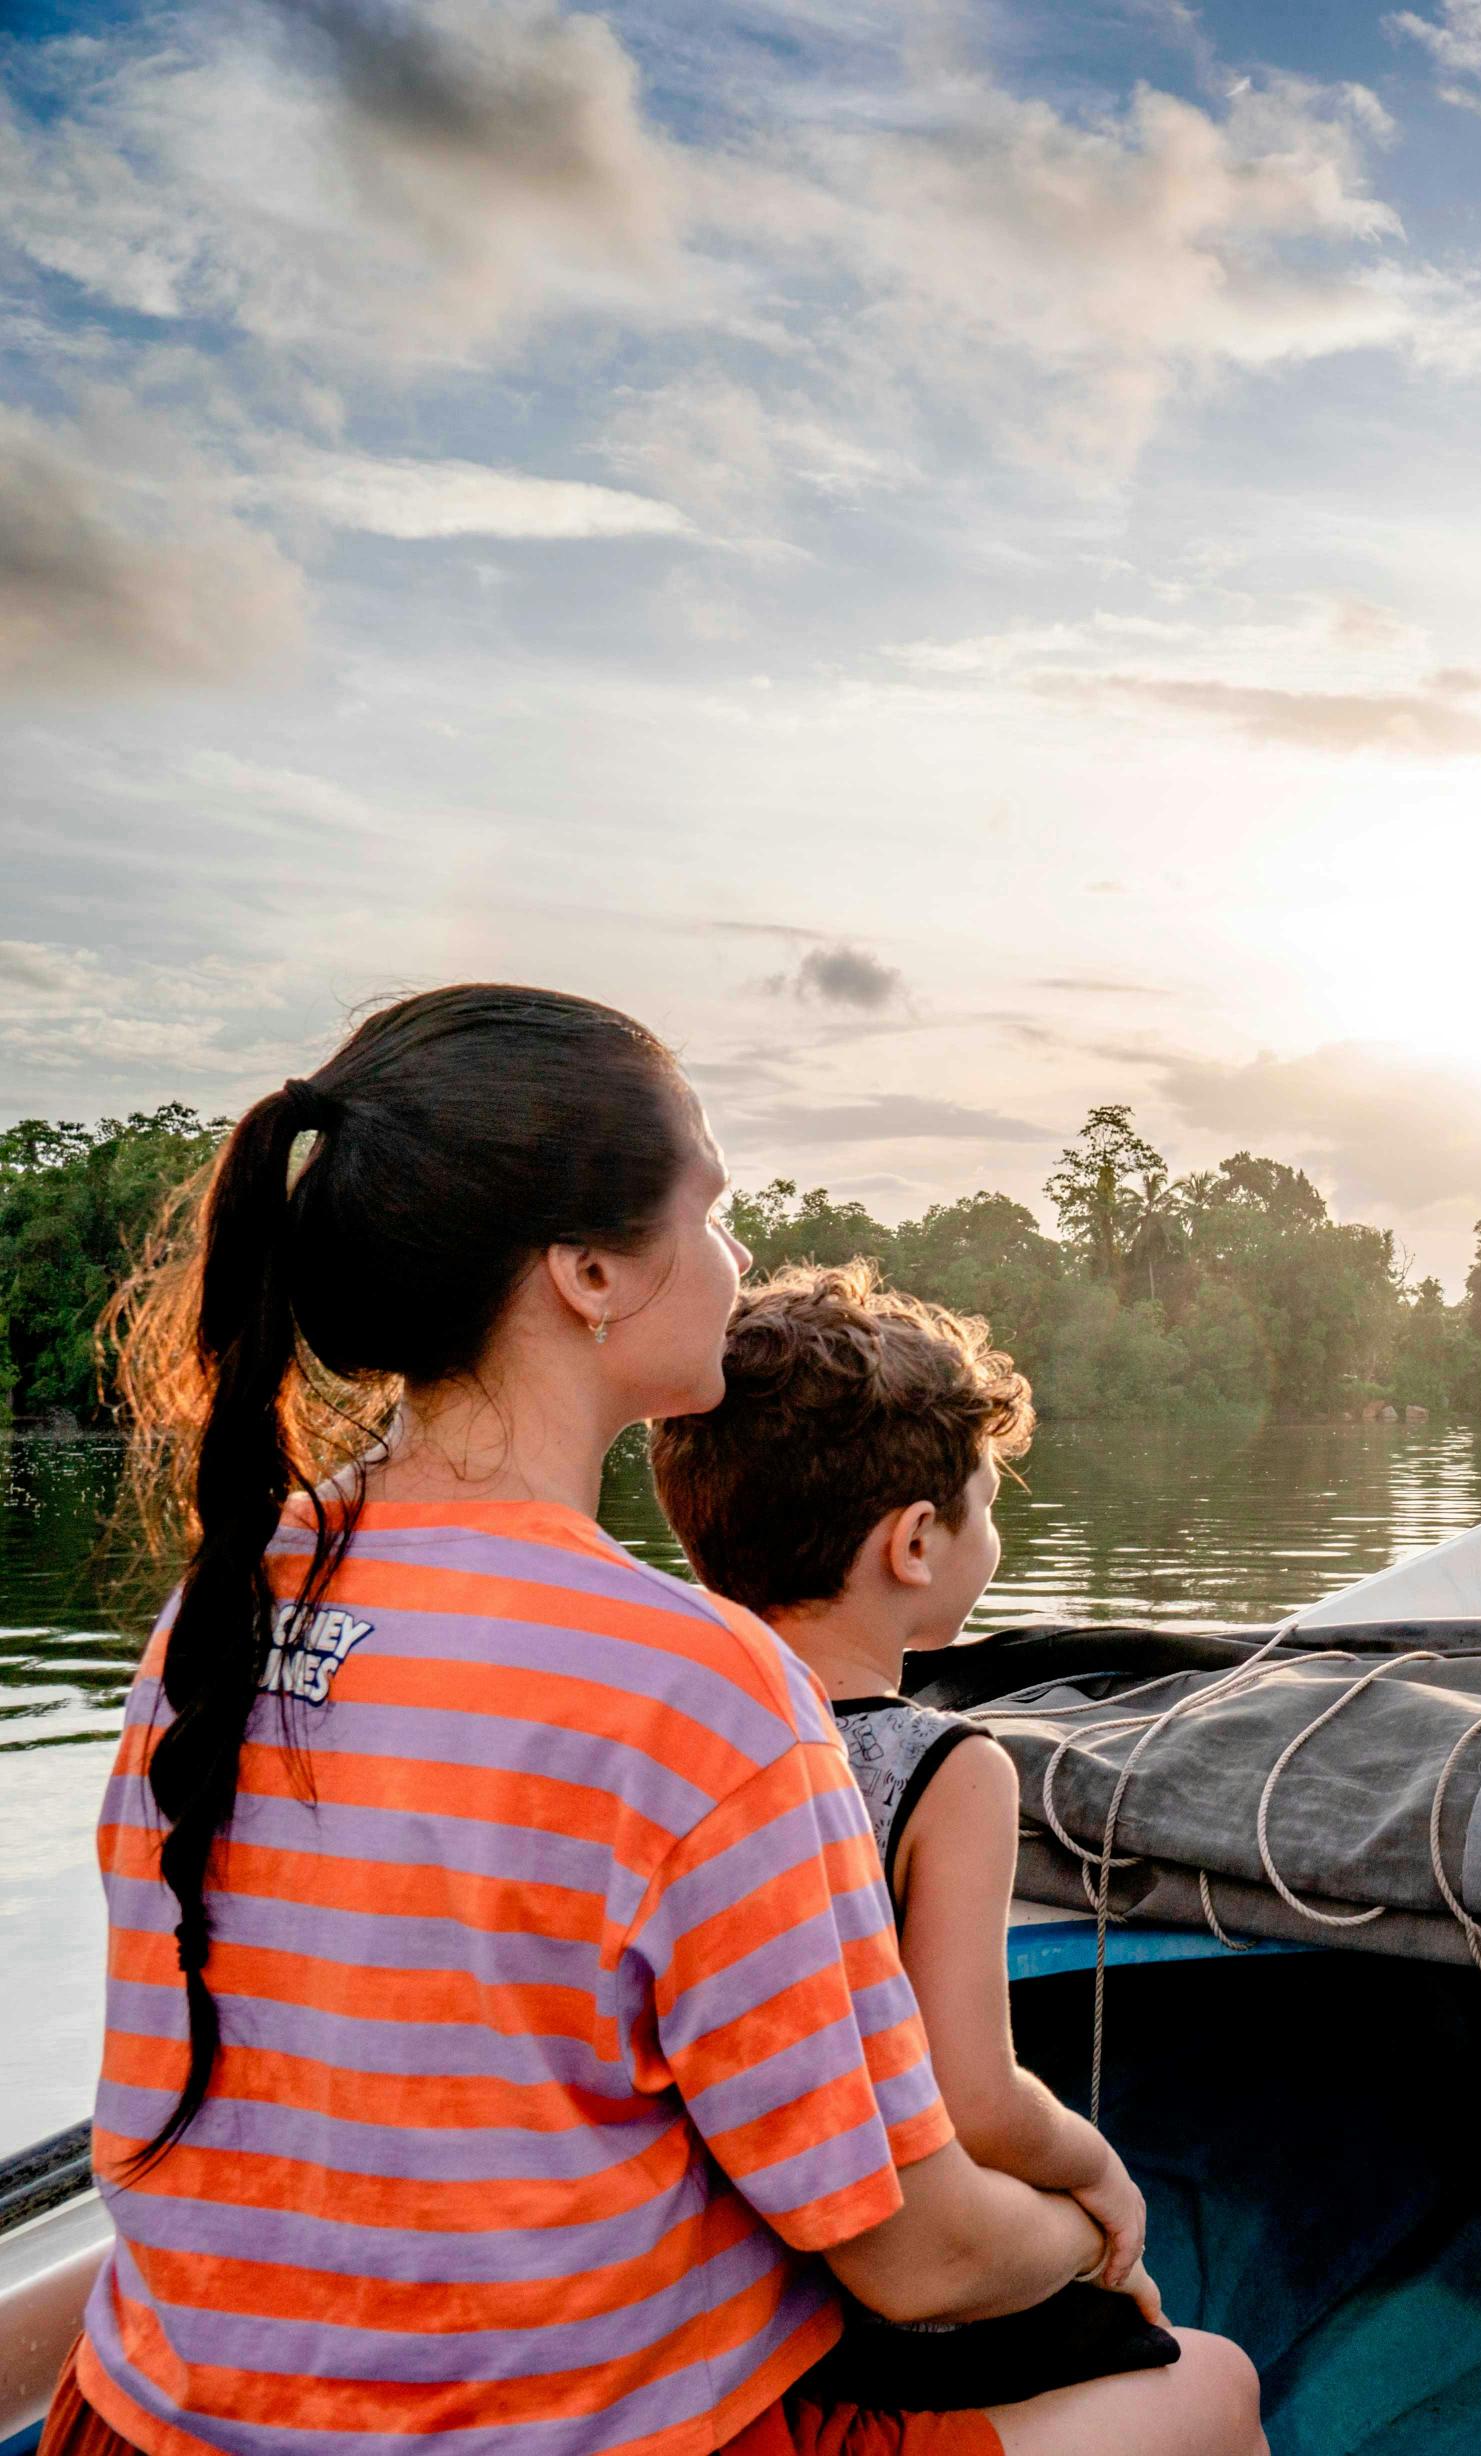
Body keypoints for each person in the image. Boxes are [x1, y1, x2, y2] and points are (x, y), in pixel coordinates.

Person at [65, 985, 1262, 2456]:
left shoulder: (220, 1607)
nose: (736, 1255)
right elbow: (919, 2254)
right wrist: (1091, 2232)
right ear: (588, 1271)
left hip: (141, 2426)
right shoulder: (695, 1686)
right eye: (712, 1208)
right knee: (1208, 2386)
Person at [648, 1265, 1163, 2411]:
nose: (995, 1532)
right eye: (989, 1503)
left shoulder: (669, 1745)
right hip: (880, 2310)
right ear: (917, 1542)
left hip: (717, 2286)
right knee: (1187, 2355)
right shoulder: (950, 1769)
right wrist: (1096, 2172)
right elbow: (970, 2097)